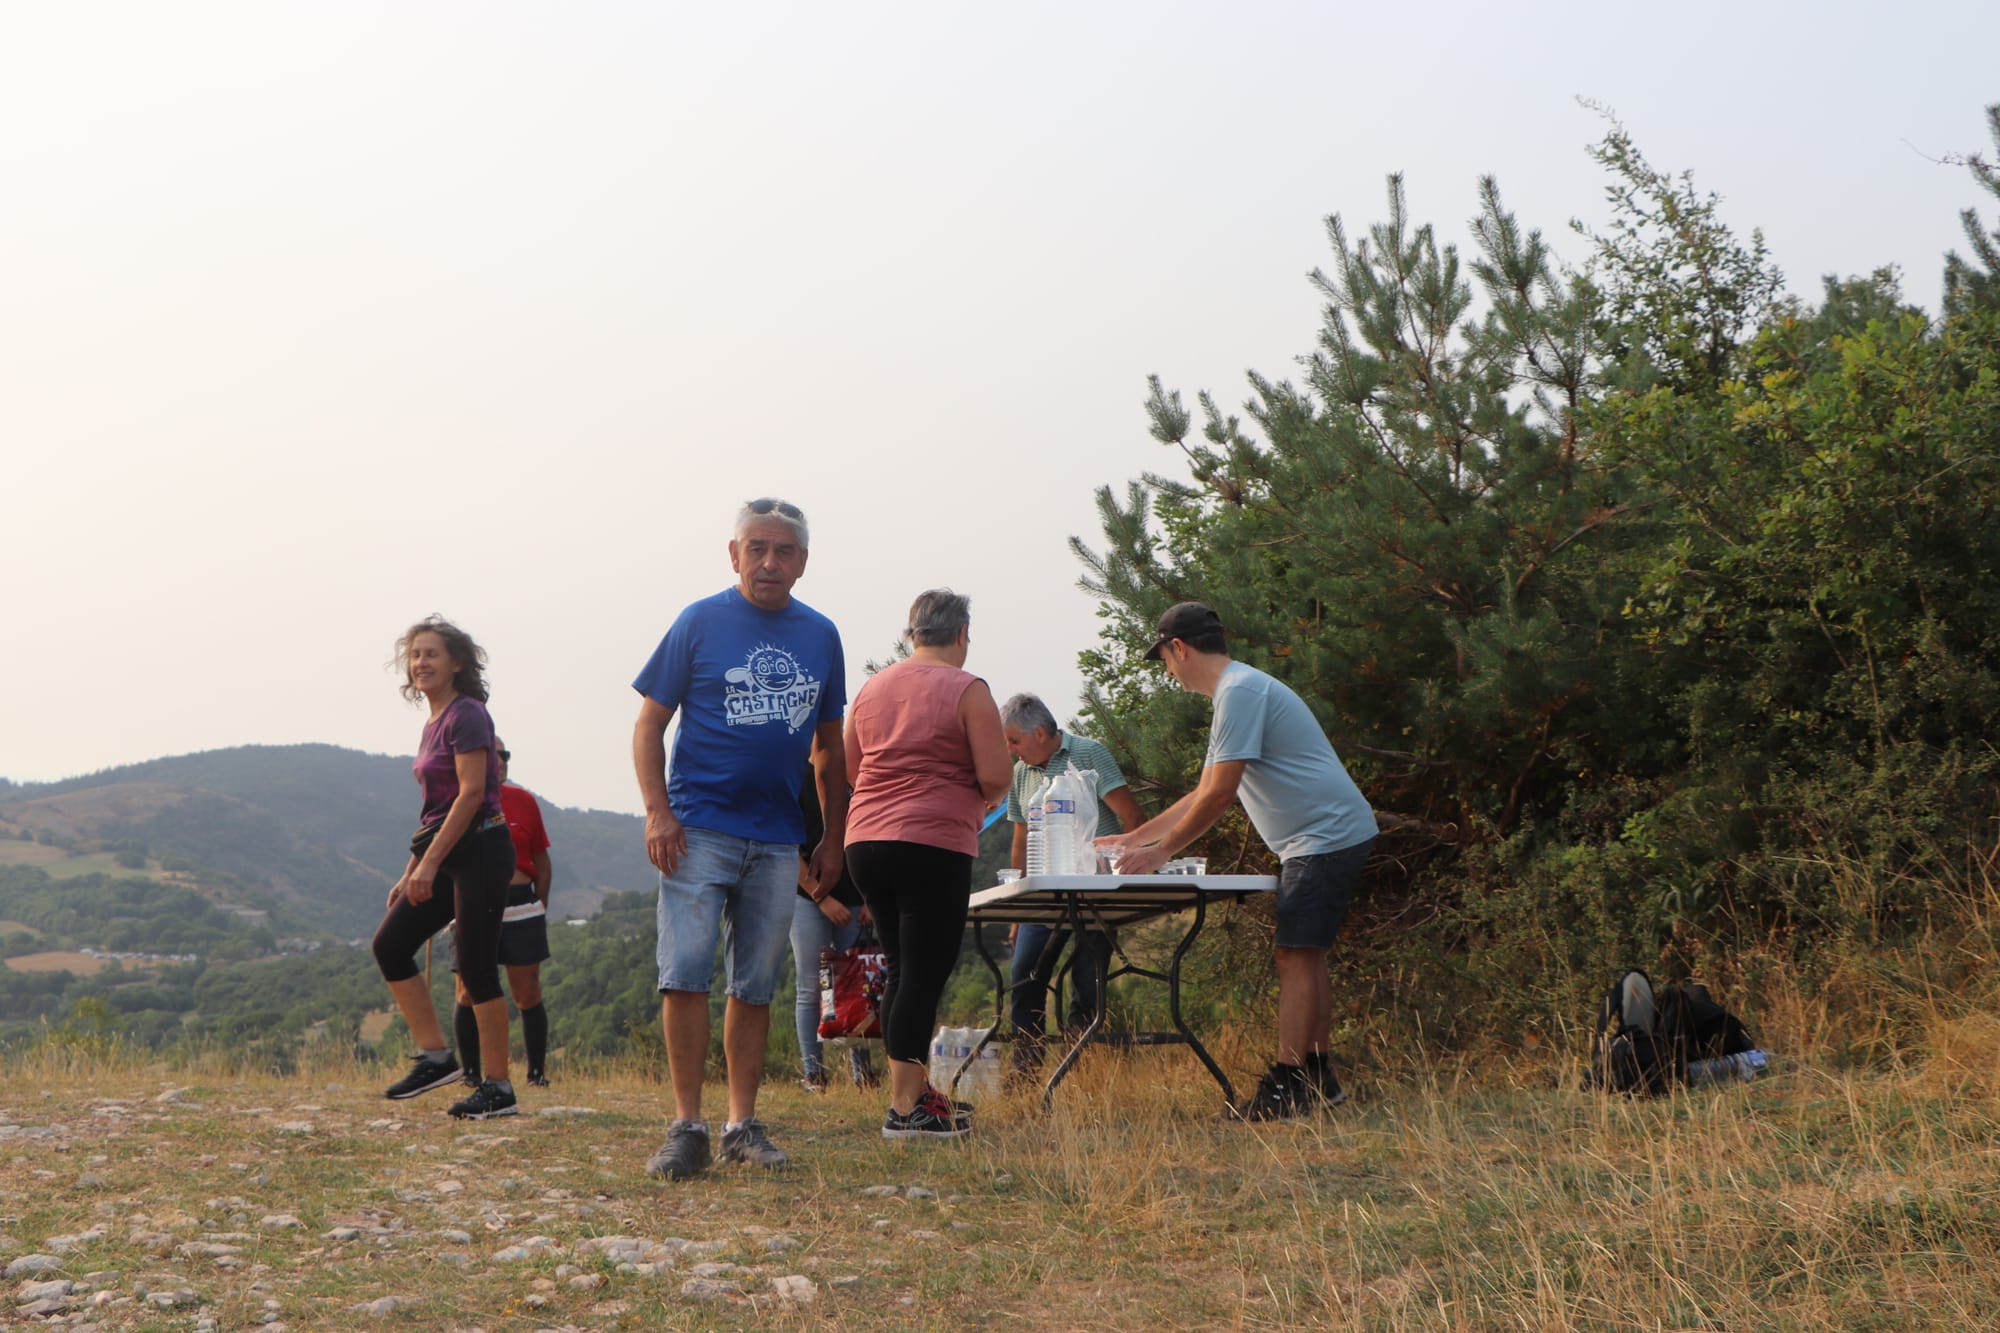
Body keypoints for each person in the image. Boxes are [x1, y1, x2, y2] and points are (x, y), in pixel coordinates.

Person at [631, 497, 848, 1179]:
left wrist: (833, 836)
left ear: (803, 563)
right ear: (734, 555)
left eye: (784, 551)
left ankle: (741, 1124)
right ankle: (687, 1125)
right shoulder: (699, 621)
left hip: (780, 838)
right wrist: (657, 812)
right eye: (756, 548)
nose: (769, 562)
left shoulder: (821, 635)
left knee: (755, 984)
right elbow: (647, 726)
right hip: (697, 828)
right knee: (685, 971)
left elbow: (829, 750)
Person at [1101, 603, 1376, 1121]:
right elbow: (1203, 790)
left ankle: (1289, 1085)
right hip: (1320, 837)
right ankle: (1317, 1077)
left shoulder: (1240, 692)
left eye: (1163, 659)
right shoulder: (1238, 692)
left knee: (1294, 956)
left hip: (1325, 835)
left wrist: (1162, 852)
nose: (1168, 671)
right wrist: (1130, 838)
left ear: (1178, 648)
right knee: (1305, 955)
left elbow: (1220, 795)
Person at [844, 589, 1011, 1139]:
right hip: (932, 841)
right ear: (962, 634)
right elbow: (995, 779)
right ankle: (905, 1110)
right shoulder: (967, 688)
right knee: (924, 970)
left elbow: (851, 767)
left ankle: (913, 1093)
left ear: (910, 633)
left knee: (899, 966)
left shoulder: (872, 689)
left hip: (865, 840)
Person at [370, 615, 520, 1120]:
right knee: (390, 946)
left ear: (456, 663)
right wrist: (411, 868)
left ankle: (498, 1088)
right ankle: (436, 1057)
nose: (421, 663)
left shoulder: (467, 715)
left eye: (431, 654)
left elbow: (472, 793)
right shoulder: (434, 722)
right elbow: (435, 809)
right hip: (444, 850)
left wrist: (429, 866)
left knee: (476, 969)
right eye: (415, 655)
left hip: (481, 846)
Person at [998, 692, 1144, 1065]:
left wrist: (1123, 874)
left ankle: (1079, 1066)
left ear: (1043, 733)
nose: (1012, 751)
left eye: (1015, 741)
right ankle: (1027, 1067)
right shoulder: (1021, 773)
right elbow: (1019, 843)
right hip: (1045, 896)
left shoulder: (1089, 753)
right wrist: (1018, 912)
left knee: (1087, 978)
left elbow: (1133, 819)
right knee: (1025, 975)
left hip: (1095, 891)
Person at [452, 741, 556, 1089]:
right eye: (490, 755)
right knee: (467, 990)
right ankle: (470, 1073)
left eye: (503, 756)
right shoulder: (459, 802)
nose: (498, 762)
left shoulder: (524, 801)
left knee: (527, 992)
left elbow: (542, 859)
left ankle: (536, 1073)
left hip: (520, 903)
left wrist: (539, 906)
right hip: (472, 900)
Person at [789, 762, 878, 1092]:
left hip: (857, 897)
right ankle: (814, 1075)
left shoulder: (858, 774)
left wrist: (872, 898)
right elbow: (787, 848)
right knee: (811, 988)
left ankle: (863, 1075)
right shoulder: (797, 778)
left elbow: (873, 837)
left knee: (858, 988)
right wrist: (820, 897)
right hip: (806, 899)